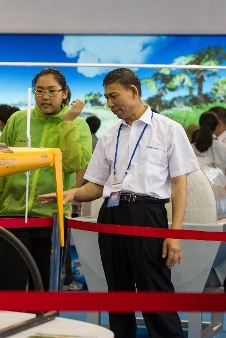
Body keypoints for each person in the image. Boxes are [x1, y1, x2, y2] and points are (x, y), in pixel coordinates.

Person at [38, 68, 199, 338]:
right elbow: (97, 185)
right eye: (106, 98)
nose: (109, 104)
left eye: (114, 97)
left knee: (154, 290)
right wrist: (73, 194)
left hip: (148, 215)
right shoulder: (110, 136)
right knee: (117, 290)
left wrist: (175, 233)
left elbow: (180, 184)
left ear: (133, 92)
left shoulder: (168, 129)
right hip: (111, 214)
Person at [0, 67, 92, 292]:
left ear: (64, 93)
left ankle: (42, 326)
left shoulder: (78, 125)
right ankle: (6, 326)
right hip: (13, 215)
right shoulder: (18, 119)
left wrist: (68, 123)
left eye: (52, 91)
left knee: (44, 287)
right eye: (39, 90)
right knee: (8, 286)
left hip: (51, 218)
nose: (45, 96)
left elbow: (73, 163)